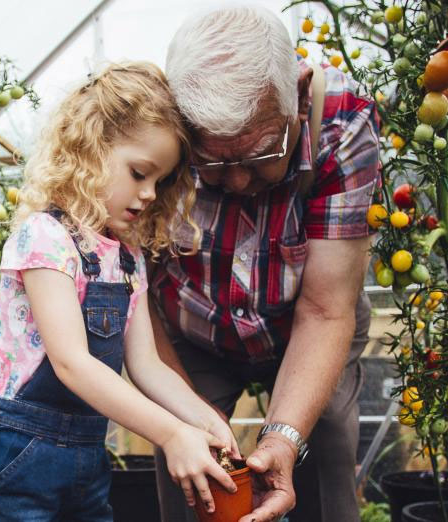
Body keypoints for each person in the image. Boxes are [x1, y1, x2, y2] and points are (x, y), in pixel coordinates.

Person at [0, 61, 241, 522]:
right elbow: (71, 364)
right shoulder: (45, 237)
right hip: (15, 458)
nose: (150, 193)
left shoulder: (126, 259)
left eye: (160, 182)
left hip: (86, 460)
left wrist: (202, 416)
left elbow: (147, 364)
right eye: (139, 173)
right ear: (90, 148)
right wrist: (171, 434)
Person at [150, 6, 381, 522]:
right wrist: (184, 418)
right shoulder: (153, 124)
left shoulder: (345, 123)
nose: (235, 182)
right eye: (211, 162)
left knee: (326, 455)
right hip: (193, 327)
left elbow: (325, 310)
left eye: (258, 156)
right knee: (189, 467)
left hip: (308, 322)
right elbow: (135, 297)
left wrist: (283, 436)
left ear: (298, 96)